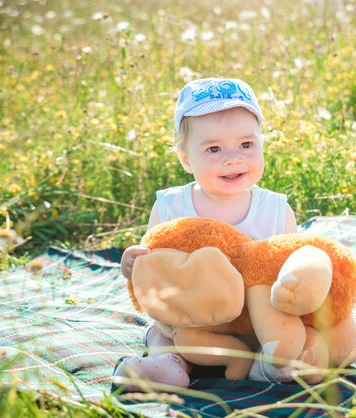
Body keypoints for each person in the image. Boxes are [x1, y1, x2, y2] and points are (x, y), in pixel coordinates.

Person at [113, 77, 298, 391]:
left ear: (262, 144)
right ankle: (169, 367)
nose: (233, 158)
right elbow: (155, 261)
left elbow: (290, 269)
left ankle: (270, 366)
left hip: (248, 325)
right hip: (186, 321)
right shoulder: (171, 206)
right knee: (162, 335)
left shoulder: (275, 211)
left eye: (246, 144)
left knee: (281, 335)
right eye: (214, 148)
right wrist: (132, 264)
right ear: (186, 158)